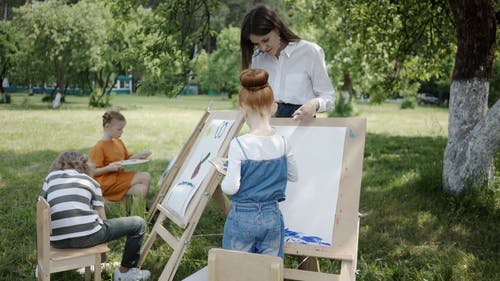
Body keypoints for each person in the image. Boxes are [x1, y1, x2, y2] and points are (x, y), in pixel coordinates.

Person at [221, 69, 298, 258]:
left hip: (242, 217)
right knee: (268, 270)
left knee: (237, 269)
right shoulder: (283, 143)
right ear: (274, 107)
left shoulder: (238, 144)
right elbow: (294, 176)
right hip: (272, 216)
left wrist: (222, 176)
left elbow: (231, 188)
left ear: (243, 110)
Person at [39, 151, 151, 281]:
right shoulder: (91, 181)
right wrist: (103, 255)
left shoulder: (50, 178)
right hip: (89, 237)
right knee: (138, 224)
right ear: (86, 165)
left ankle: (43, 265)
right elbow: (102, 219)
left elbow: (41, 208)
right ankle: (125, 272)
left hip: (56, 241)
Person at [240, 4, 335, 120]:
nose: (263, 48)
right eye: (257, 44)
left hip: (302, 128)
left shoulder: (310, 52)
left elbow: (328, 96)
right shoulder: (257, 58)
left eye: (265, 40)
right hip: (268, 129)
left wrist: (315, 104)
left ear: (277, 28)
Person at [89, 108, 151, 202]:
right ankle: (138, 209)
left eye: (122, 129)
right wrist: (108, 168)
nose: (122, 132)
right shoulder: (99, 147)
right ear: (107, 126)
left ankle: (134, 210)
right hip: (106, 182)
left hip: (119, 178)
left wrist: (139, 156)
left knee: (141, 189)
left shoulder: (118, 142)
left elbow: (126, 159)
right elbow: (92, 172)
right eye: (119, 129)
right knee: (145, 176)